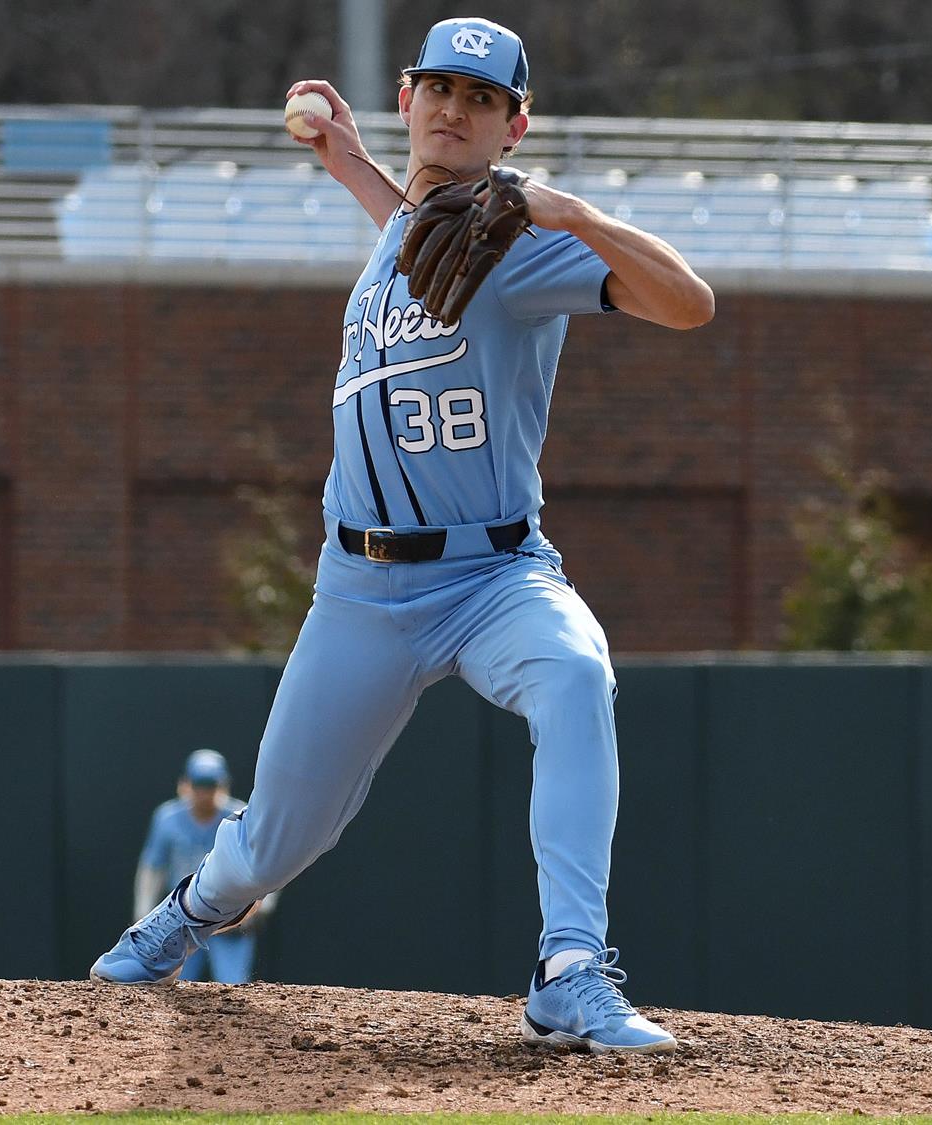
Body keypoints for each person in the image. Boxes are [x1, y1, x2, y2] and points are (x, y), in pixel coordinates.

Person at [91, 16, 713, 1055]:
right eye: (439, 89)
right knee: (275, 844)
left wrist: (573, 214)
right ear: (408, 99)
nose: (454, 110)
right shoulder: (420, 226)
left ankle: (568, 968)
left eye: (479, 100)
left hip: (493, 573)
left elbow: (687, 305)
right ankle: (187, 917)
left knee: (571, 671)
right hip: (359, 590)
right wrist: (348, 165)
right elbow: (416, 233)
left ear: (515, 127)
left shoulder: (521, 244)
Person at [130, 749, 276, 984]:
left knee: (234, 984)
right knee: (175, 985)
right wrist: (142, 911)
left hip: (230, 913)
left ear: (224, 785)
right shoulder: (167, 818)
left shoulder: (240, 816)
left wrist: (264, 905)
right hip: (184, 913)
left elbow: (265, 863)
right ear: (185, 784)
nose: (205, 793)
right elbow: (152, 869)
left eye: (211, 785)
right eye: (199, 784)